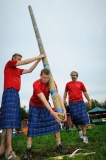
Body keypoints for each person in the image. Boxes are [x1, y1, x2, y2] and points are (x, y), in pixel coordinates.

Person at [0, 53, 45, 160]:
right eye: (17, 59)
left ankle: (2, 148)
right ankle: (9, 151)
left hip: (15, 93)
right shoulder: (9, 64)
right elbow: (25, 62)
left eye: (20, 59)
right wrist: (37, 57)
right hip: (9, 92)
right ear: (13, 59)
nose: (19, 60)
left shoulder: (18, 70)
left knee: (8, 122)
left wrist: (38, 61)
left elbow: (29, 70)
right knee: (9, 121)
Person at [23, 68, 70, 160]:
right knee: (32, 126)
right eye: (44, 77)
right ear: (40, 76)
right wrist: (52, 112)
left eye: (47, 77)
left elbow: (57, 96)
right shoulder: (36, 84)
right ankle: (28, 150)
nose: (46, 79)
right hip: (35, 106)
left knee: (55, 123)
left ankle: (59, 145)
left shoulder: (52, 83)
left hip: (46, 106)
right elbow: (43, 99)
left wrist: (64, 109)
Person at [63, 71, 92, 144]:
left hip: (80, 102)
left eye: (74, 75)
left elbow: (85, 92)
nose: (73, 76)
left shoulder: (80, 83)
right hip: (72, 103)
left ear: (77, 76)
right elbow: (65, 92)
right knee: (74, 118)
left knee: (83, 119)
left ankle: (85, 136)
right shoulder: (68, 84)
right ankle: (79, 131)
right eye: (72, 75)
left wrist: (89, 100)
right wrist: (64, 99)